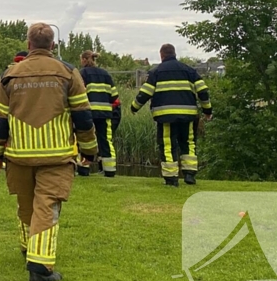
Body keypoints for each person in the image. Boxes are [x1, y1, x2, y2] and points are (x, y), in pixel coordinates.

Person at [0, 23, 98, 281]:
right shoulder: (68, 73)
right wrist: (89, 151)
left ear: (28, 45)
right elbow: (83, 117)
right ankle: (40, 267)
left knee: (26, 204)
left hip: (18, 155)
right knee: (47, 206)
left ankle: (29, 247)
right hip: (56, 155)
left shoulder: (9, 75)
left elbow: (0, 120)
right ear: (52, 45)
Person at [130, 43, 212, 186]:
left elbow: (145, 93)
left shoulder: (156, 72)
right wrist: (207, 111)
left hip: (165, 115)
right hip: (188, 115)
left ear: (161, 55)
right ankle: (189, 175)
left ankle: (171, 178)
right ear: (174, 54)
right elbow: (203, 91)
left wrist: (134, 107)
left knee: (168, 145)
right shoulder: (189, 70)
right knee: (188, 143)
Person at [79, 51, 119, 178]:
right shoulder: (105, 74)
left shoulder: (82, 73)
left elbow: (78, 92)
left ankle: (84, 168)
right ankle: (110, 170)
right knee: (106, 140)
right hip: (105, 113)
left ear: (84, 59)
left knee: (86, 139)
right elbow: (114, 96)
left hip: (88, 112)